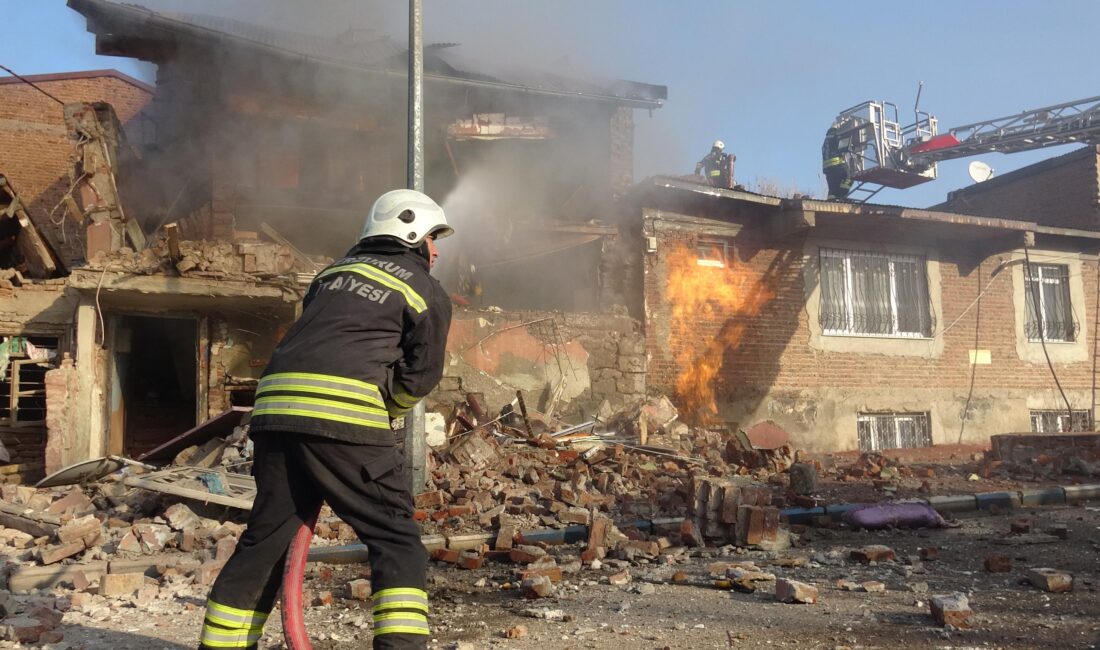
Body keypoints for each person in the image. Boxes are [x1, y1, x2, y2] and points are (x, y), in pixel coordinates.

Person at [197, 189, 454, 650]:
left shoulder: (331, 274)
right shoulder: (423, 286)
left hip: (273, 413)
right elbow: (421, 374)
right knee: (395, 539)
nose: (436, 250)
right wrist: (389, 411)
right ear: (412, 235)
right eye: (434, 238)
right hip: (344, 418)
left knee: (266, 542)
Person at [822, 126, 852, 200]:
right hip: (837, 163)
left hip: (826, 168)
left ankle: (832, 199)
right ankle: (843, 195)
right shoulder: (836, 135)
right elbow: (844, 144)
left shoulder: (825, 142)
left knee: (832, 187)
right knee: (850, 176)